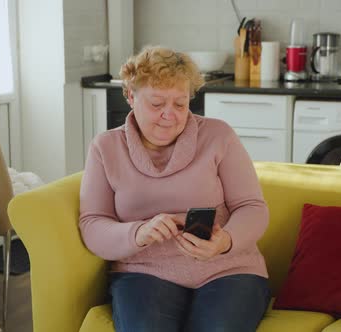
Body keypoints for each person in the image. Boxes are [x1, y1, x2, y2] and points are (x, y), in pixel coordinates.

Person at [79, 46, 270, 332]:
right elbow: (92, 223)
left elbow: (252, 208)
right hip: (144, 272)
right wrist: (138, 233)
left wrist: (224, 241)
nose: (170, 115)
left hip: (229, 269)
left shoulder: (218, 136)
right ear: (131, 96)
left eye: (180, 104)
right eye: (157, 104)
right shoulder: (106, 147)